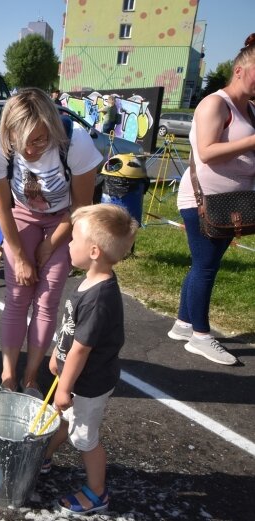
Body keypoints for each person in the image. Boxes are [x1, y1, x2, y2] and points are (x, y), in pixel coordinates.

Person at [0, 87, 101, 397]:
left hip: (65, 218)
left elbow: (80, 208)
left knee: (47, 300)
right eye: (21, 143)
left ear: (52, 127)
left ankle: (31, 378)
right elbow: (2, 208)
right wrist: (20, 256)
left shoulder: (76, 142)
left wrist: (49, 245)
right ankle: (8, 376)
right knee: (18, 296)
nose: (30, 151)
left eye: (38, 141)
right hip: (20, 215)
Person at [41, 204, 138, 516]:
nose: (68, 244)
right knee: (66, 421)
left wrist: (63, 387)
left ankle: (97, 493)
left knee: (85, 439)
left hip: (90, 382)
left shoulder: (100, 298)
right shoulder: (90, 280)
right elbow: (71, 329)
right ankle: (43, 456)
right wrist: (58, 353)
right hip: (79, 376)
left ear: (94, 251)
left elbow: (82, 349)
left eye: (73, 240)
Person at [167, 34, 255, 366]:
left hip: (232, 201)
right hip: (204, 201)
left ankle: (184, 323)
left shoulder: (250, 108)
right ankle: (201, 337)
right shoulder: (215, 103)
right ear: (239, 69)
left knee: (205, 263)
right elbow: (206, 152)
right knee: (206, 266)